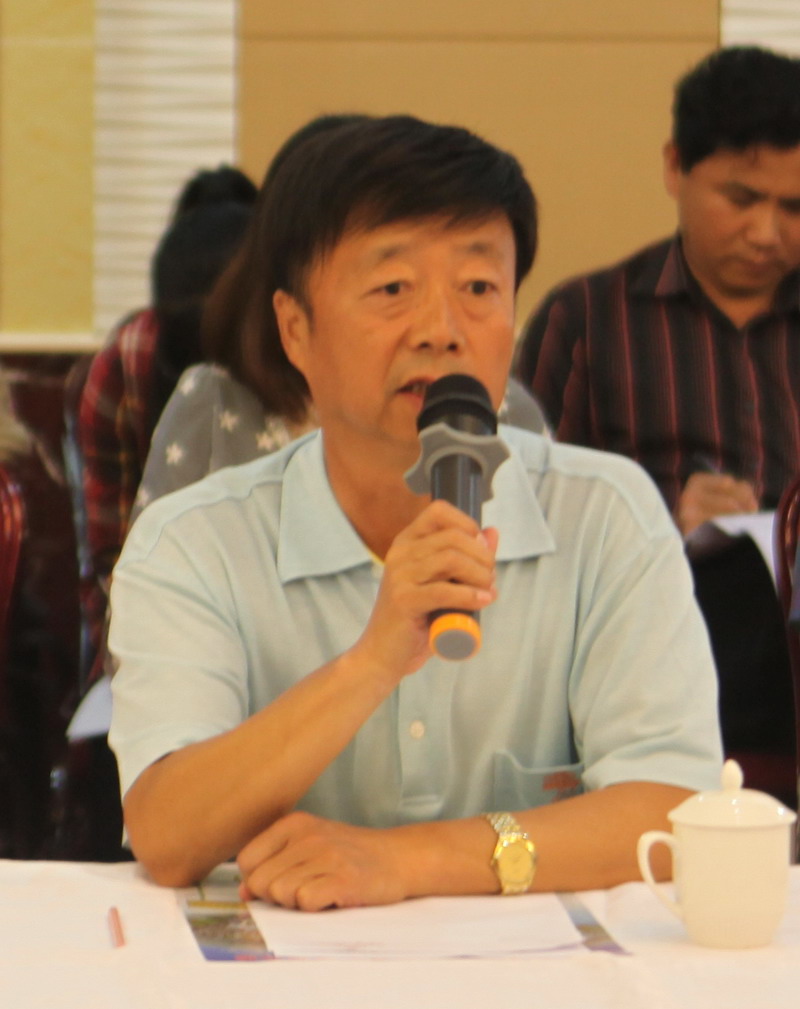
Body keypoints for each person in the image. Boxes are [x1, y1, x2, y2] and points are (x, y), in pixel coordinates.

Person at [108, 115, 721, 907]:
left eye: (479, 289)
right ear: (295, 329)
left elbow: (672, 810)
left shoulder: (605, 514)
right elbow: (167, 832)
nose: (442, 331)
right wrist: (371, 662)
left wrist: (408, 861)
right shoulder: (194, 540)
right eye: (393, 289)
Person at [516, 46, 800, 780]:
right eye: (742, 198)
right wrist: (662, 522)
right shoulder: (587, 319)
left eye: (795, 207)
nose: (767, 232)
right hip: (645, 679)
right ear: (676, 167)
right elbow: (519, 513)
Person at [77, 166, 257, 677]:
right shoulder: (126, 361)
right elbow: (109, 553)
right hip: (157, 632)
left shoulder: (303, 363)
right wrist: (136, 666)